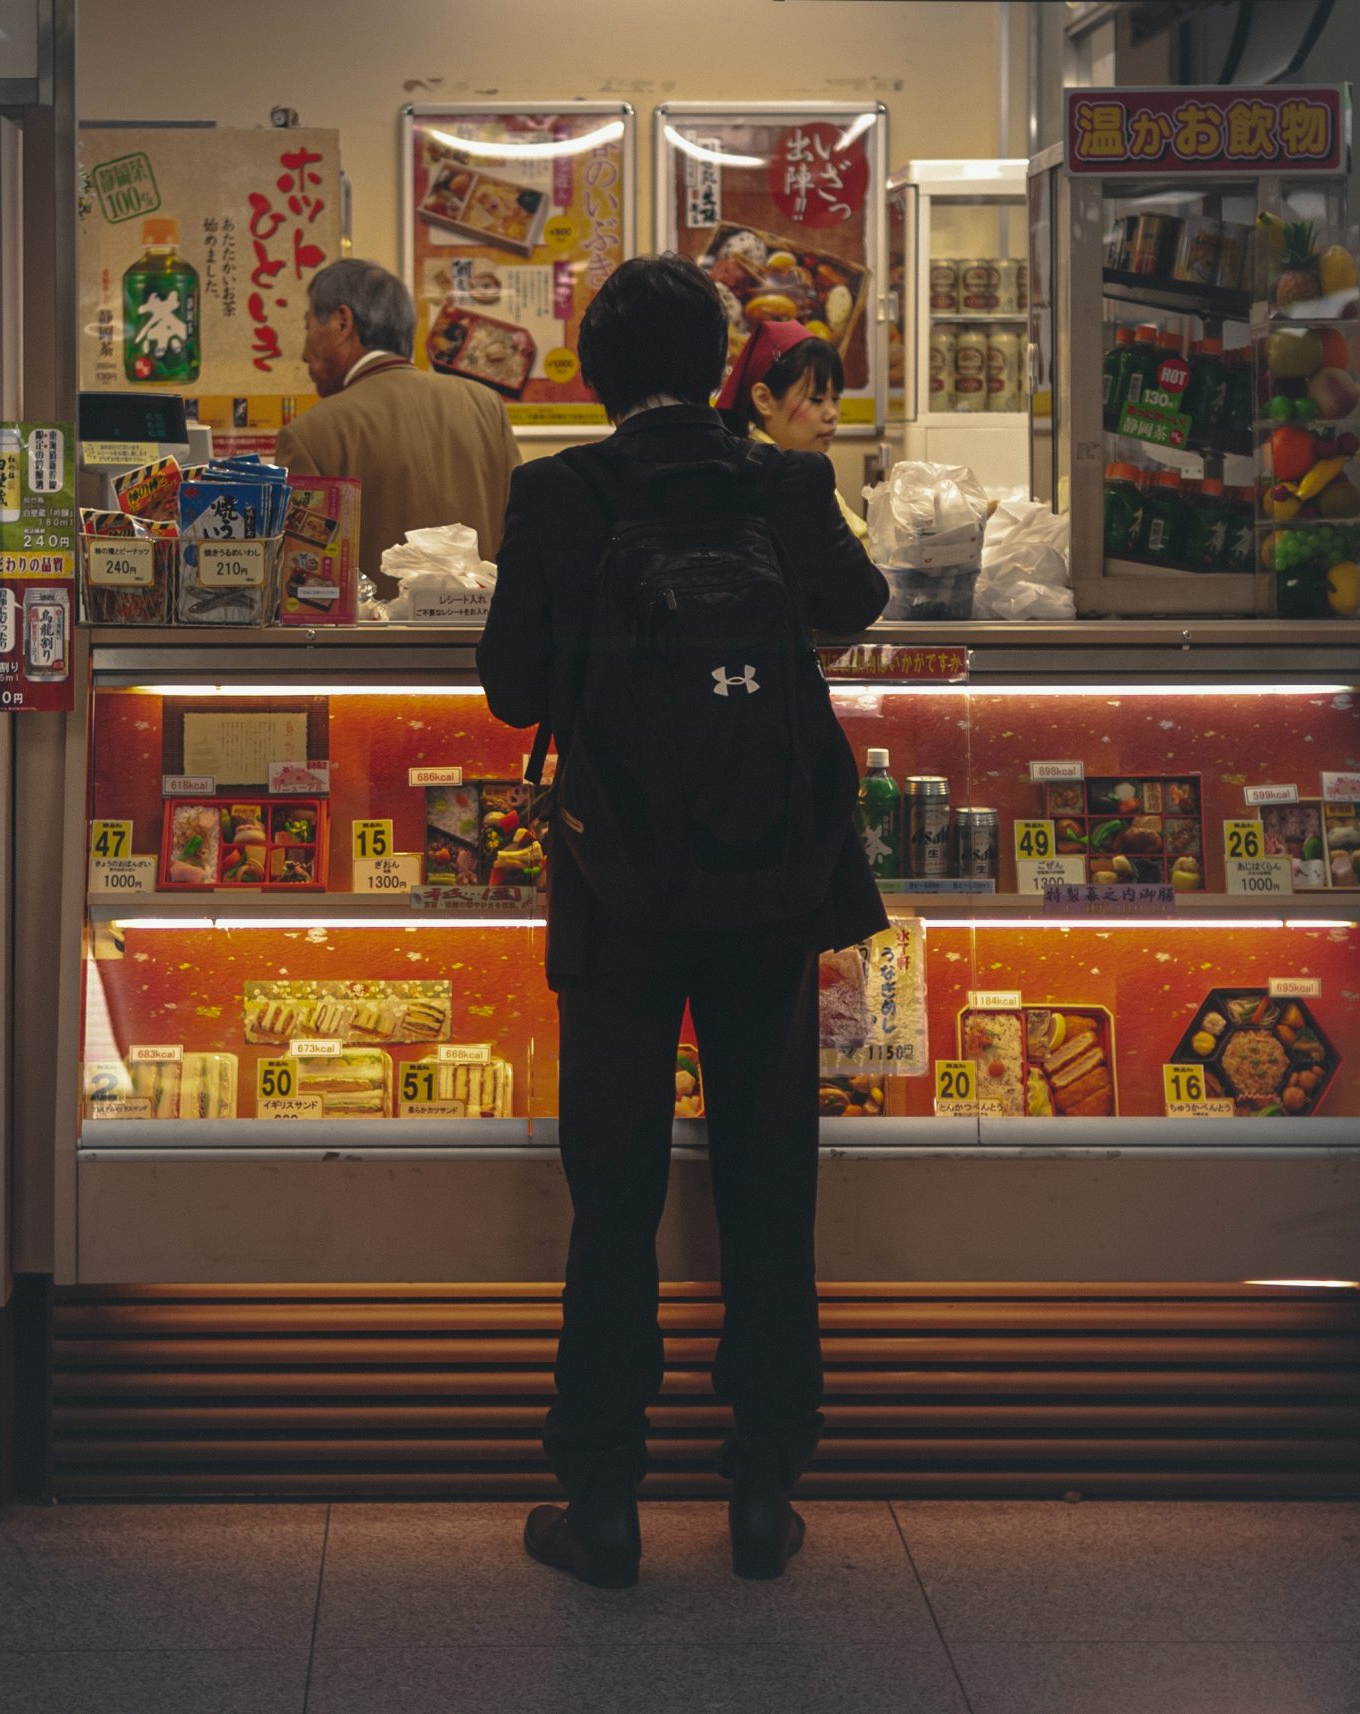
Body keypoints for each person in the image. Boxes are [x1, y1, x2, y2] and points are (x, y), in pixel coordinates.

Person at [477, 254, 889, 1589]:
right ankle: (765, 1492)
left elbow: (510, 686)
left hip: (619, 885)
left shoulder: (560, 493)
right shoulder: (782, 481)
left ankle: (602, 1501)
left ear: (593, 376)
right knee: (772, 1186)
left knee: (617, 1194)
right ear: (720, 365)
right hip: (769, 877)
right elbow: (861, 604)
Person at [275, 258, 521, 595]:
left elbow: (306, 586)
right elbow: (520, 537)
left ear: (343, 322)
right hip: (482, 641)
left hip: (369, 646)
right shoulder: (486, 405)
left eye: (307, 327)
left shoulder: (310, 434)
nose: (304, 354)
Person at [715, 319, 869, 540]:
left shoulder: (786, 467)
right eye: (816, 400)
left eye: (835, 398)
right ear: (764, 399)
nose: (832, 413)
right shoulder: (774, 482)